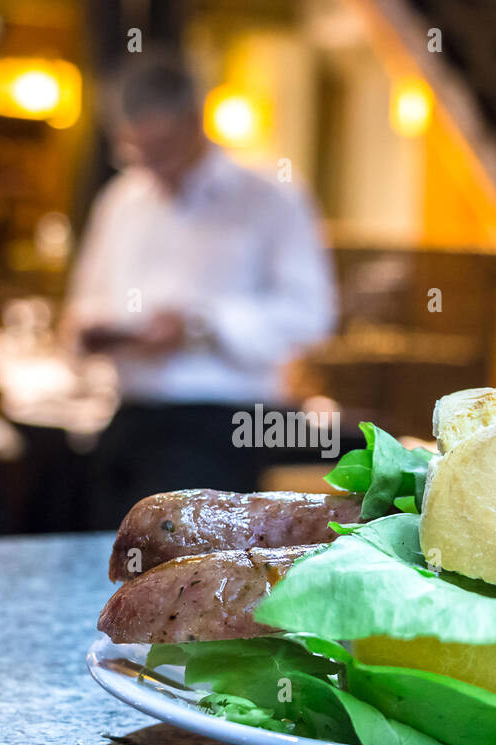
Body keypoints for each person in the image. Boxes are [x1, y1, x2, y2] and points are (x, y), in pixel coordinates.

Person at [66, 58, 336, 527]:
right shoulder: (121, 201)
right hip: (129, 414)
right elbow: (83, 304)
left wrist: (200, 326)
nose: (149, 164)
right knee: (69, 507)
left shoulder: (271, 197)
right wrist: (95, 330)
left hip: (229, 421)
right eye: (136, 149)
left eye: (161, 147)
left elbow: (311, 315)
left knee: (171, 538)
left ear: (194, 122)